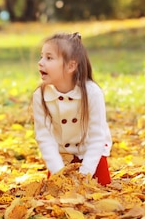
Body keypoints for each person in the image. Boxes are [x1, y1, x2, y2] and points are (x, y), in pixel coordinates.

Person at [32, 32, 112, 185]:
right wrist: (58, 172)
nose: (41, 62)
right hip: (61, 155)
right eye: (41, 56)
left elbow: (97, 137)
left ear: (71, 66)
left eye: (49, 58)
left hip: (91, 151)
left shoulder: (92, 93)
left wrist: (85, 173)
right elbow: (44, 137)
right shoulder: (40, 96)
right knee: (57, 193)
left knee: (100, 190)